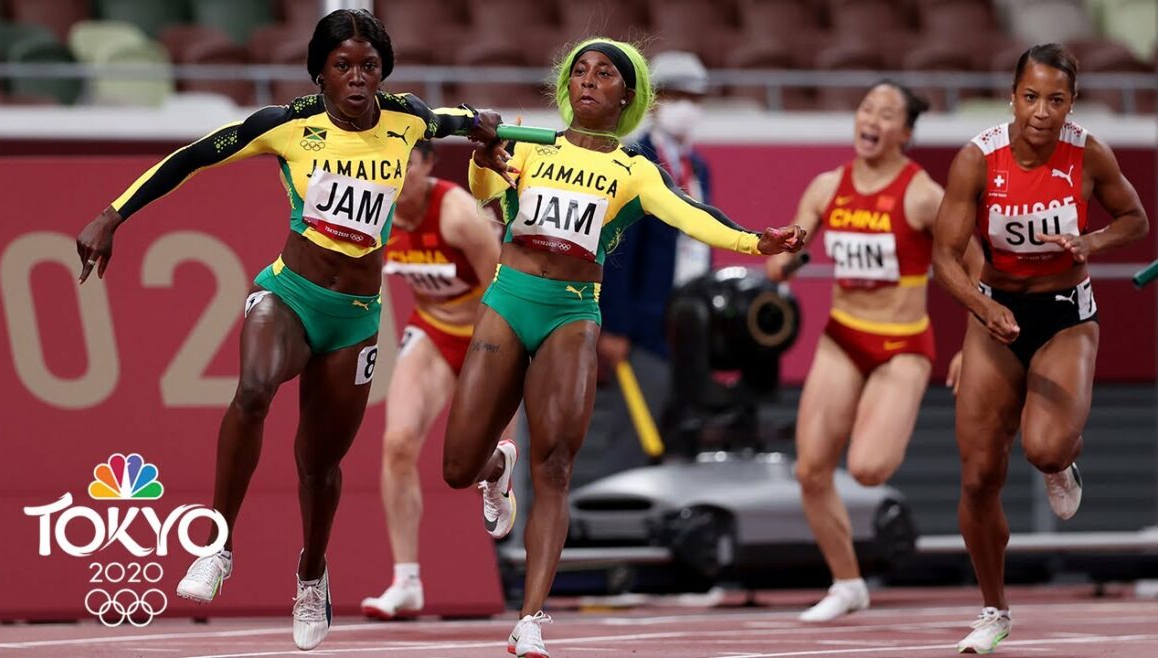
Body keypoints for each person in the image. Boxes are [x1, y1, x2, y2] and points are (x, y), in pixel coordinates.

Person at [73, 9, 504, 651]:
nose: (358, 79)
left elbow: (458, 123)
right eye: (343, 67)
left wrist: (482, 126)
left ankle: (311, 575)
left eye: (369, 66)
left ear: (383, 72)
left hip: (355, 318)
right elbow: (190, 159)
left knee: (317, 464)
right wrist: (113, 215)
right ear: (319, 74)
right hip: (289, 293)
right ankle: (216, 546)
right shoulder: (285, 126)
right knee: (251, 392)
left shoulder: (408, 117)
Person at [440, 37, 806, 658]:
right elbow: (483, 194)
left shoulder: (636, 172)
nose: (587, 81)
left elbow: (694, 215)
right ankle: (496, 469)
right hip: (509, 301)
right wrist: (484, 153)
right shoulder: (533, 147)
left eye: (604, 74)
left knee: (555, 466)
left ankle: (530, 619)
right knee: (455, 468)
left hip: (573, 314)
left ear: (627, 96)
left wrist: (754, 244)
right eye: (579, 71)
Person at [932, 43, 1148, 653]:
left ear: (1071, 104)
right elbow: (944, 259)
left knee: (1044, 447)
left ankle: (1061, 463)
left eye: (1056, 100)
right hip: (996, 314)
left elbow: (1136, 219)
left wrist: (1092, 242)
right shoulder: (977, 158)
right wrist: (983, 307)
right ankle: (994, 609)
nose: (1041, 112)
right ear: (1012, 96)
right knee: (978, 477)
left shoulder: (1088, 153)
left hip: (1064, 316)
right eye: (1031, 97)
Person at [765, 81, 980, 623]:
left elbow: (978, 267)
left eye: (887, 114)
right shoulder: (825, 187)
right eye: (866, 108)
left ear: (904, 133)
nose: (872, 119)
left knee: (867, 469)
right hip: (844, 338)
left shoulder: (923, 195)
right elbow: (779, 264)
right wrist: (790, 257)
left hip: (903, 346)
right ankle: (847, 582)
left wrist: (974, 342)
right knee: (811, 471)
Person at [359, 141, 519, 620]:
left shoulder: (455, 216)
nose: (396, 176)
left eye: (407, 166)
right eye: (388, 167)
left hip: (487, 335)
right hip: (432, 331)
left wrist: (505, 359)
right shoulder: (372, 211)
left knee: (470, 462)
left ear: (427, 166)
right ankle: (405, 581)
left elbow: (506, 283)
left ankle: (497, 475)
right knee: (398, 444)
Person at [586, 50, 714, 482]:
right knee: (634, 429)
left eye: (695, 99)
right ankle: (613, 515)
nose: (686, 108)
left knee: (683, 423)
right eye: (677, 96)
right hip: (643, 327)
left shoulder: (698, 168)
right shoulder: (634, 160)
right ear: (653, 101)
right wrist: (616, 327)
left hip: (690, 318)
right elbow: (618, 251)